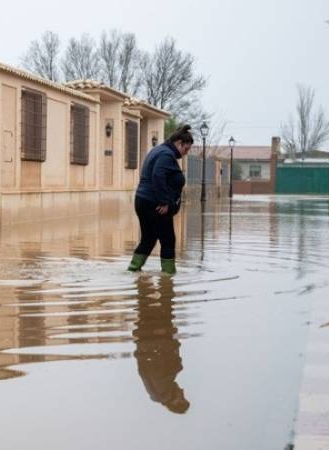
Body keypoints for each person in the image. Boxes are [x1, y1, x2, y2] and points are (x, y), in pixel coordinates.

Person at [127, 124, 193, 274]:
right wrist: (164, 201)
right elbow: (158, 176)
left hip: (143, 201)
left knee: (148, 238)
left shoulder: (158, 151)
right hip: (155, 204)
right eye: (186, 149)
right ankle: (168, 277)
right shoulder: (166, 155)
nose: (186, 153)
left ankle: (133, 270)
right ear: (179, 143)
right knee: (168, 240)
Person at [133, 276, 190, 414]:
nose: (182, 392)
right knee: (145, 301)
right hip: (147, 335)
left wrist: (163, 335)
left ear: (175, 402)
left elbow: (161, 360)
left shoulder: (162, 387)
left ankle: (161, 277)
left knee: (165, 298)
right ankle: (143, 277)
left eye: (181, 398)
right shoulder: (158, 391)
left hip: (157, 333)